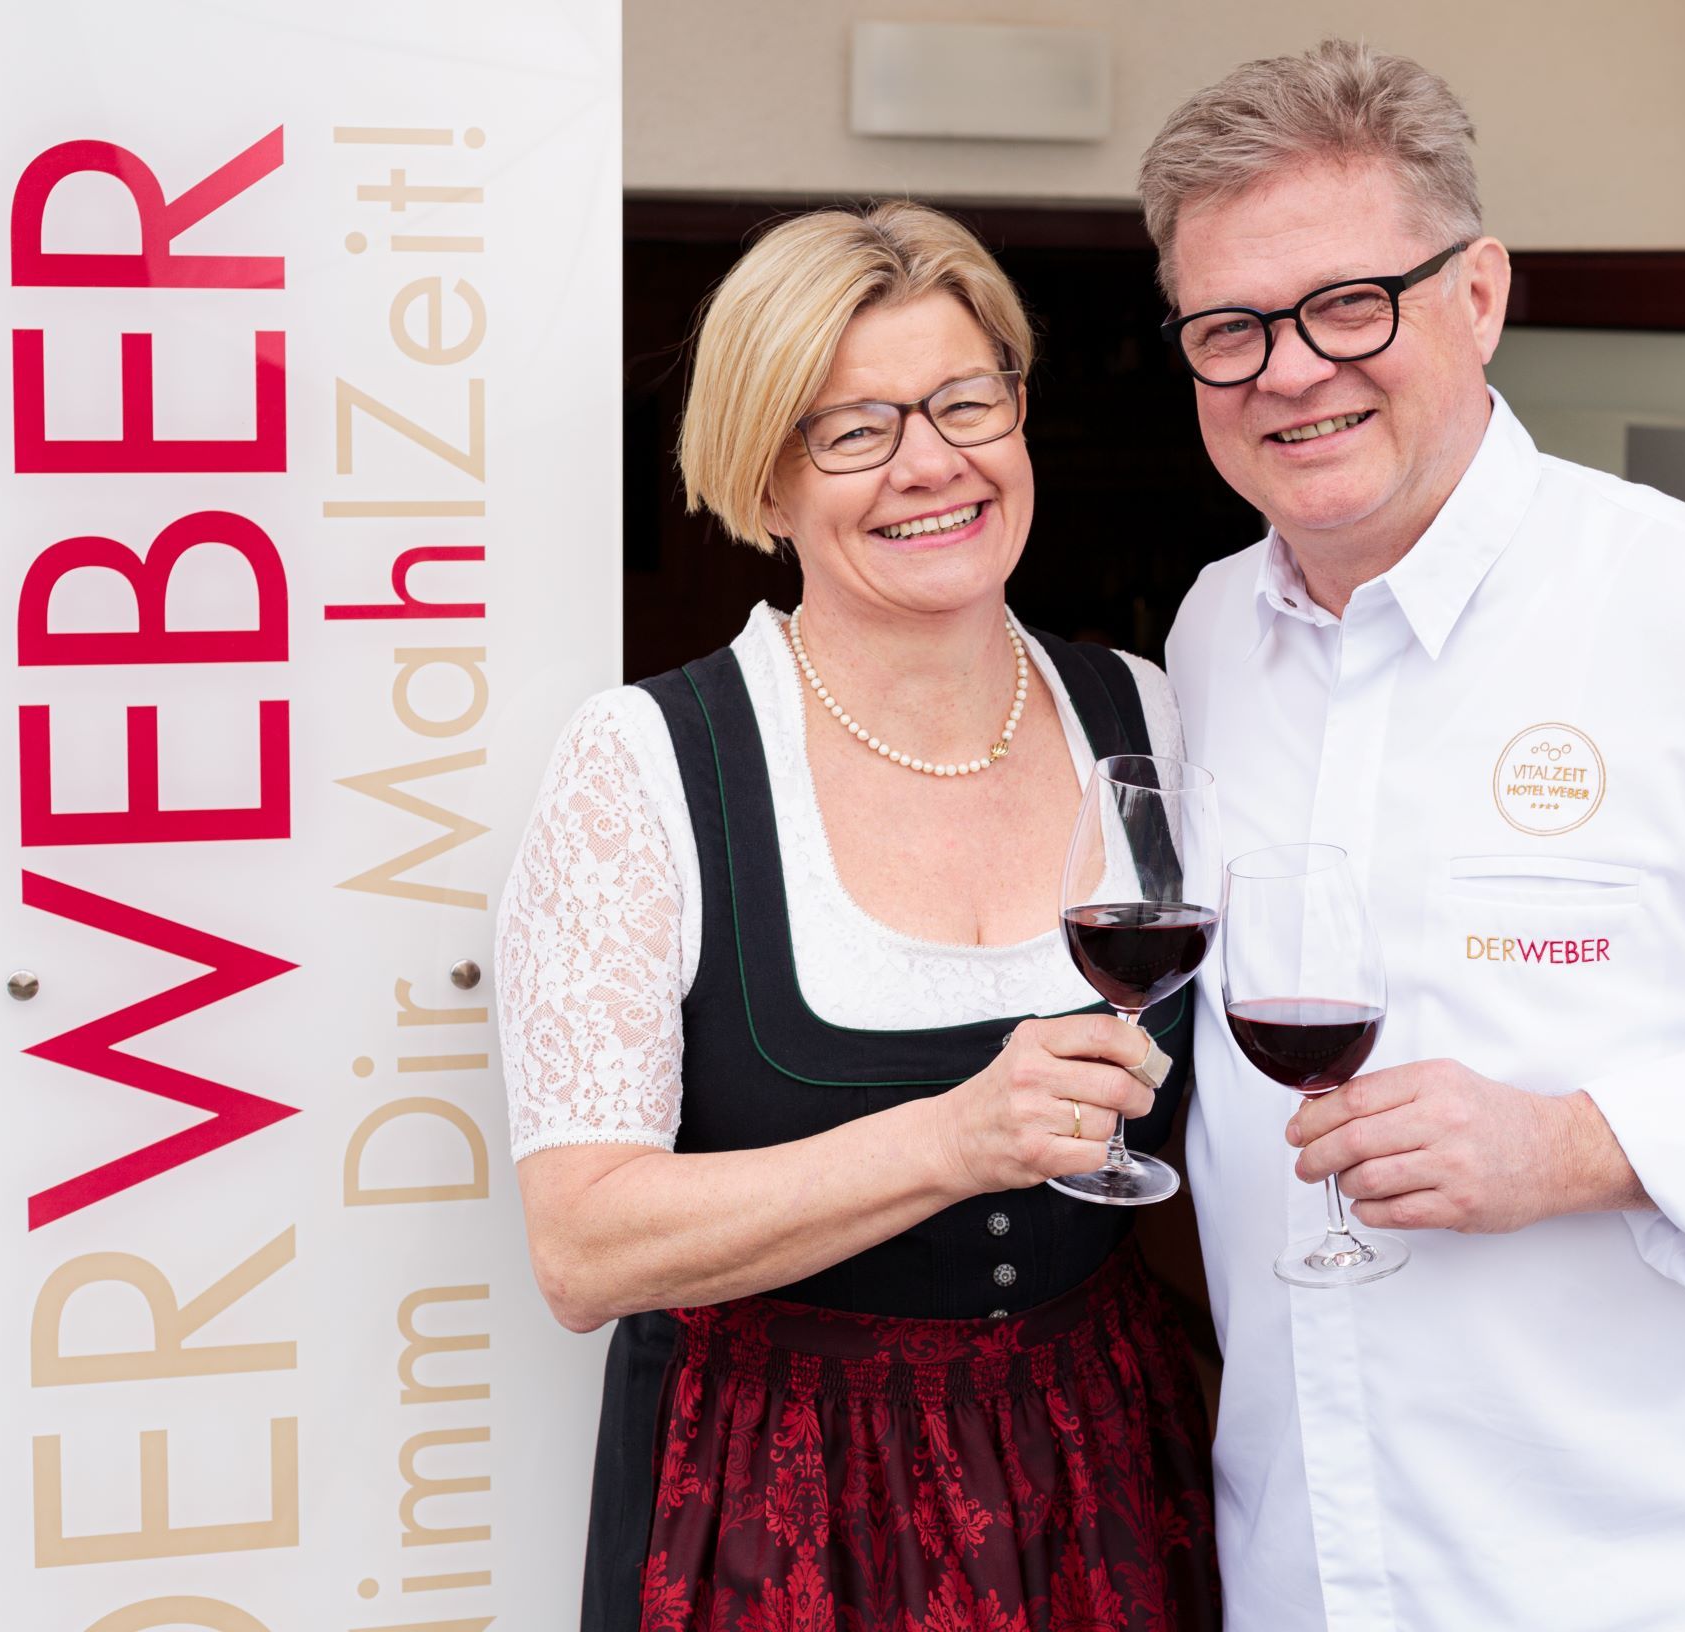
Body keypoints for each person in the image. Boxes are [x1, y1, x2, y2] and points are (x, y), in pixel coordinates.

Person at [1141, 41, 1685, 1631]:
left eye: (1350, 303)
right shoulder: (1213, 634)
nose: (1289, 369)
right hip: (1297, 1561)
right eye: (1229, 329)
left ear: (1477, 294)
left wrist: (1575, 1145)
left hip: (1622, 1575)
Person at [495, 202, 1220, 1631]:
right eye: (853, 430)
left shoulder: (1143, 710)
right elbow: (584, 1250)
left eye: (965, 401)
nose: (932, 464)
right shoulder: (645, 762)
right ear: (765, 484)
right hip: (776, 1502)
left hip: (1100, 1467)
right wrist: (955, 1139)